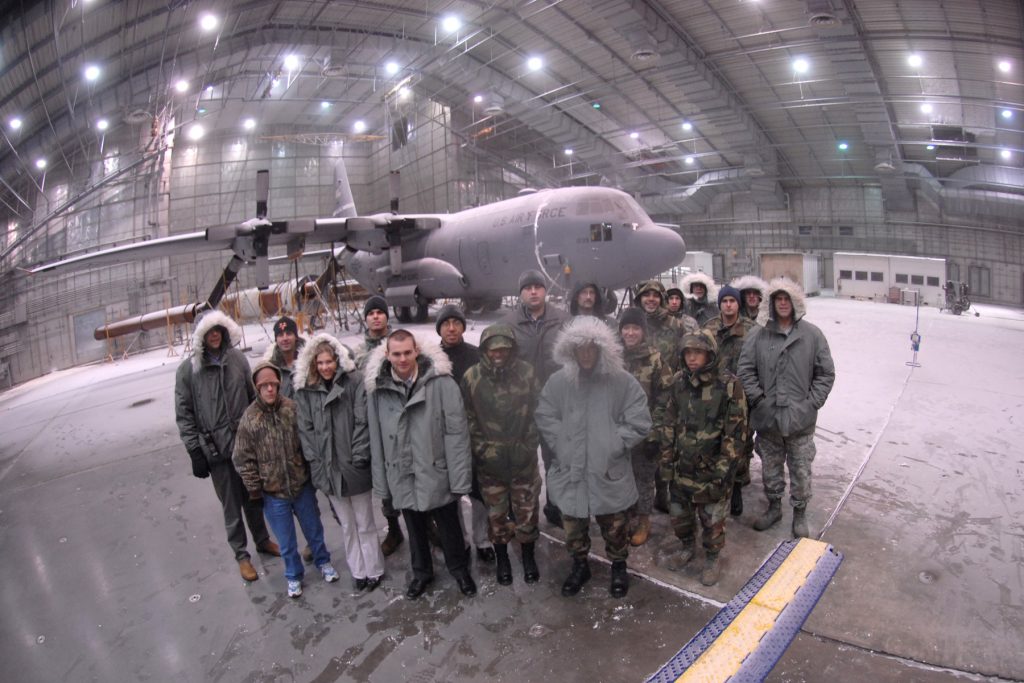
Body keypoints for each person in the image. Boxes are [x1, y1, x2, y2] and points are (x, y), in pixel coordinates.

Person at [535, 317, 652, 599]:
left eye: (591, 348)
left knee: (615, 526)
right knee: (574, 526)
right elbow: (545, 414)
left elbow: (639, 420)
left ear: (601, 349)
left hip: (607, 469)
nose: (586, 354)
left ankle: (619, 566)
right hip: (571, 469)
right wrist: (561, 441)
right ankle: (580, 566)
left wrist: (614, 442)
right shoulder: (559, 381)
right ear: (571, 351)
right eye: (580, 349)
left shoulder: (621, 381)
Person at [365, 329, 477, 600]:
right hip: (402, 472)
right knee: (414, 528)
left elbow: (456, 434)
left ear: (416, 351)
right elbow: (377, 438)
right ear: (387, 355)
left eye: (407, 352)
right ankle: (422, 572)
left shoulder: (441, 383)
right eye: (396, 354)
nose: (402, 359)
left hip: (436, 469)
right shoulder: (378, 390)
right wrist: (383, 484)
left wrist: (460, 478)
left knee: (449, 524)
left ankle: (460, 569)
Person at [174, 310, 277, 582]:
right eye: (209, 331)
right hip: (216, 450)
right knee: (231, 506)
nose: (215, 334)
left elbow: (251, 396)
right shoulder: (188, 370)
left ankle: (263, 540)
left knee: (254, 497)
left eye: (218, 328)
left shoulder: (237, 360)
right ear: (201, 336)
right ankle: (242, 555)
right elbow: (184, 413)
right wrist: (194, 450)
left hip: (245, 445)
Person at [737, 277, 836, 538]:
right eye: (777, 299)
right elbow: (745, 369)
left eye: (786, 299)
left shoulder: (812, 335)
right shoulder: (758, 334)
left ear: (795, 303)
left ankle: (800, 513)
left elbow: (825, 373)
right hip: (768, 419)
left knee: (801, 469)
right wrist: (758, 399)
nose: (782, 303)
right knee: (770, 468)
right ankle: (774, 507)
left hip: (800, 420)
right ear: (770, 303)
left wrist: (811, 404)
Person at [233, 361, 339, 598]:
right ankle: (293, 575)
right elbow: (241, 458)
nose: (270, 389)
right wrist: (254, 488)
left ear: (279, 385)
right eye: (264, 385)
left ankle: (323, 562)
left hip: (301, 486)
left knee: (314, 530)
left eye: (273, 384)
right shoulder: (250, 419)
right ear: (257, 388)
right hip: (273, 493)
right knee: (286, 541)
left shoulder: (292, 409)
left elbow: (308, 443)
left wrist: (311, 474)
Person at [294, 333, 385, 592]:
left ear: (337, 360)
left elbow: (362, 422)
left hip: (353, 466)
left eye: (329, 361)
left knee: (365, 521)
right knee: (347, 525)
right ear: (313, 364)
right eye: (320, 363)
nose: (325, 367)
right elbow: (306, 431)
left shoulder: (354, 382)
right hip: (328, 470)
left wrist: (358, 456)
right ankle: (358, 570)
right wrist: (317, 463)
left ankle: (374, 568)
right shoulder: (306, 392)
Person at [658, 331, 747, 586]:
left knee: (712, 520)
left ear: (710, 353)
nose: (691, 357)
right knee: (680, 516)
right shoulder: (678, 382)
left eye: (697, 351)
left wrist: (723, 473)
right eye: (687, 352)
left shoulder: (729, 385)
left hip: (711, 469)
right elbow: (668, 422)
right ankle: (687, 547)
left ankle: (712, 557)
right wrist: (666, 461)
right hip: (681, 467)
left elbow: (735, 435)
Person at [460, 324, 542, 586]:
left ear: (512, 350)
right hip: (490, 464)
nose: (499, 354)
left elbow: (539, 411)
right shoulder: (472, 378)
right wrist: (483, 449)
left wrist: (528, 445)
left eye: (504, 349)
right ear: (485, 349)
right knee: (496, 516)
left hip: (523, 461)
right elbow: (467, 418)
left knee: (527, 512)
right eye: (493, 350)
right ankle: (503, 559)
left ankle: (528, 556)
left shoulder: (527, 374)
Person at [500, 269, 569, 526]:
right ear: (520, 294)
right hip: (523, 404)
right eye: (527, 288)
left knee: (556, 458)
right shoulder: (508, 324)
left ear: (545, 290)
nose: (533, 292)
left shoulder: (563, 320)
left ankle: (556, 506)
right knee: (522, 459)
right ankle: (521, 508)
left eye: (537, 287)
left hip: (555, 403)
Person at [435, 303, 493, 564]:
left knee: (478, 491)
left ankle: (482, 539)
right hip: (444, 435)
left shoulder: (476, 355)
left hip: (475, 432)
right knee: (451, 491)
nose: (451, 328)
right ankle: (461, 540)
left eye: (456, 322)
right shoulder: (431, 358)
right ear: (439, 328)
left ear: (462, 326)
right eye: (446, 323)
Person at [617, 307, 672, 547]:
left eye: (635, 328)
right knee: (621, 476)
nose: (630, 333)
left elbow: (665, 398)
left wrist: (654, 432)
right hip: (618, 432)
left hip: (644, 432)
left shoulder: (655, 359)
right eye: (626, 328)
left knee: (643, 478)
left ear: (643, 331)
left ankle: (643, 520)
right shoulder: (612, 357)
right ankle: (626, 516)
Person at [355, 295, 404, 557]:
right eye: (371, 313)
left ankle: (425, 524)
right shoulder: (358, 353)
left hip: (401, 417)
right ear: (366, 319)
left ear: (387, 316)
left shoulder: (401, 343)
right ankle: (394, 527)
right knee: (384, 476)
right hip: (375, 420)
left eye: (380, 312)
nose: (376, 316)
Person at [702, 285, 758, 516]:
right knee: (716, 443)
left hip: (742, 399)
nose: (728, 305)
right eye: (724, 301)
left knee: (741, 446)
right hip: (714, 397)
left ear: (738, 304)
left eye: (732, 301)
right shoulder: (709, 328)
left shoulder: (753, 330)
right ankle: (717, 485)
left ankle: (736, 487)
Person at [632, 280, 697, 374]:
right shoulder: (631, 324)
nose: (651, 299)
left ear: (661, 300)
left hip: (669, 385)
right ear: (639, 299)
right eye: (646, 295)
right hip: (637, 385)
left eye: (656, 295)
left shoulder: (675, 325)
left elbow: (687, 355)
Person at [262, 315, 305, 398]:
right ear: (276, 340)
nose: (285, 338)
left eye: (289, 334)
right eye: (280, 335)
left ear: (296, 337)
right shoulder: (271, 369)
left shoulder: (309, 363)